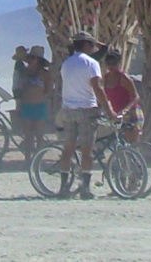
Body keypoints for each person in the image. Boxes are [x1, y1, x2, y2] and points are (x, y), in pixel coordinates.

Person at [56, 35, 111, 199]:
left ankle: (63, 187)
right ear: (87, 45)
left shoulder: (66, 64)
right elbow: (97, 88)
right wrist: (108, 108)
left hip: (68, 110)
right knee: (87, 150)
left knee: (68, 149)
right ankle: (85, 188)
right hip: (87, 109)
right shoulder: (91, 63)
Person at [13, 46, 52, 155]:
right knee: (28, 134)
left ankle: (38, 158)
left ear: (38, 60)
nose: (31, 60)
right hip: (27, 105)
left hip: (39, 106)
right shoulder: (25, 72)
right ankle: (28, 159)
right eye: (30, 58)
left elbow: (48, 90)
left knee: (39, 134)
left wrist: (39, 95)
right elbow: (19, 87)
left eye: (33, 58)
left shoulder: (45, 74)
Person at [99, 50, 141, 139]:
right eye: (108, 63)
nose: (111, 66)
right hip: (116, 114)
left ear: (119, 63)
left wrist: (126, 110)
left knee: (131, 141)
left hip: (131, 113)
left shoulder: (124, 78)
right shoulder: (106, 78)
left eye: (114, 63)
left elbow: (136, 97)